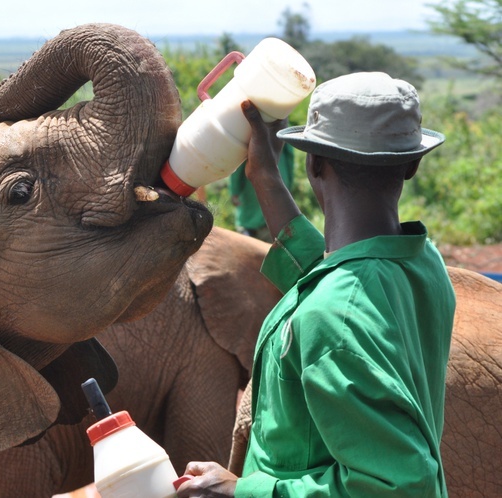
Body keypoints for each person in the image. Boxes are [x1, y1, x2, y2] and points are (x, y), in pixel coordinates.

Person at [175, 72, 456, 497]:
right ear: (413, 163)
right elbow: (339, 278)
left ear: (312, 163)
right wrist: (265, 180)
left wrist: (241, 491)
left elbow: (399, 488)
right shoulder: (420, 262)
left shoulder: (333, 317)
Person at [229, 143, 294, 242]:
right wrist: (288, 185)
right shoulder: (281, 127)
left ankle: (248, 239)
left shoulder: (248, 129)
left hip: (254, 182)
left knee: (249, 229)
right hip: (279, 181)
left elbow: (238, 163)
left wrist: (235, 190)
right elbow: (290, 157)